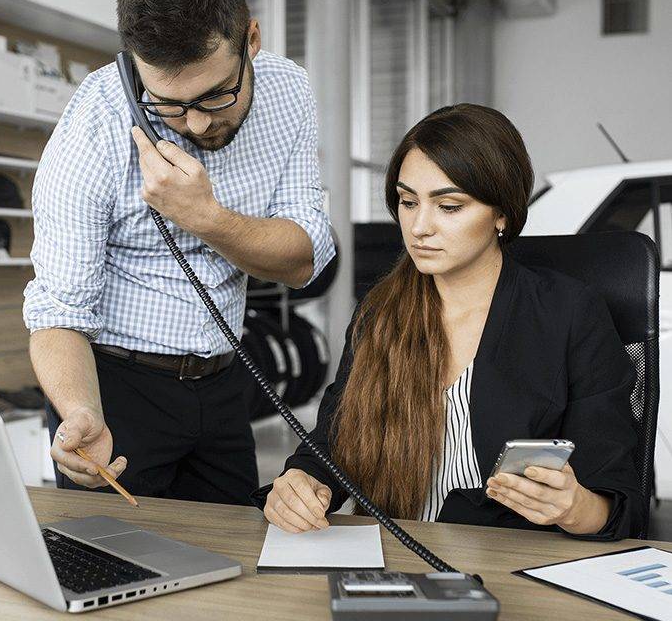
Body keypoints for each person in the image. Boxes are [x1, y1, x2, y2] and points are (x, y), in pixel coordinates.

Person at [257, 103, 641, 539]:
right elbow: (333, 442)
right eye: (407, 202)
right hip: (392, 554)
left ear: (502, 214)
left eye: (450, 206)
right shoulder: (381, 311)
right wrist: (301, 483)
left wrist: (573, 508)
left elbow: (620, 506)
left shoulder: (569, 313)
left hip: (508, 563)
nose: (419, 227)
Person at [22, 0, 334, 506]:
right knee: (120, 568)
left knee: (235, 561)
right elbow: (57, 312)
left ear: (251, 39)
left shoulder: (288, 91)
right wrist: (81, 413)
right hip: (115, 390)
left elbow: (303, 260)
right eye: (167, 103)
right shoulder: (93, 126)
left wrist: (203, 217)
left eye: (217, 94)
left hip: (226, 378)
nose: (196, 122)